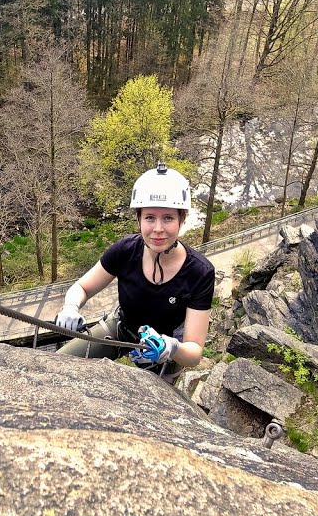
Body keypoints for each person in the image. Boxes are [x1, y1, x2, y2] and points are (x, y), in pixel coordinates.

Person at [54, 163, 215, 383]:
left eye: (168, 218)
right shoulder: (126, 250)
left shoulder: (199, 272)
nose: (158, 228)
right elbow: (82, 287)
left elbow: (194, 353)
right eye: (150, 217)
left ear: (181, 220)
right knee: (58, 365)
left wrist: (171, 347)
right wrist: (70, 306)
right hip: (122, 328)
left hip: (165, 351)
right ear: (138, 219)